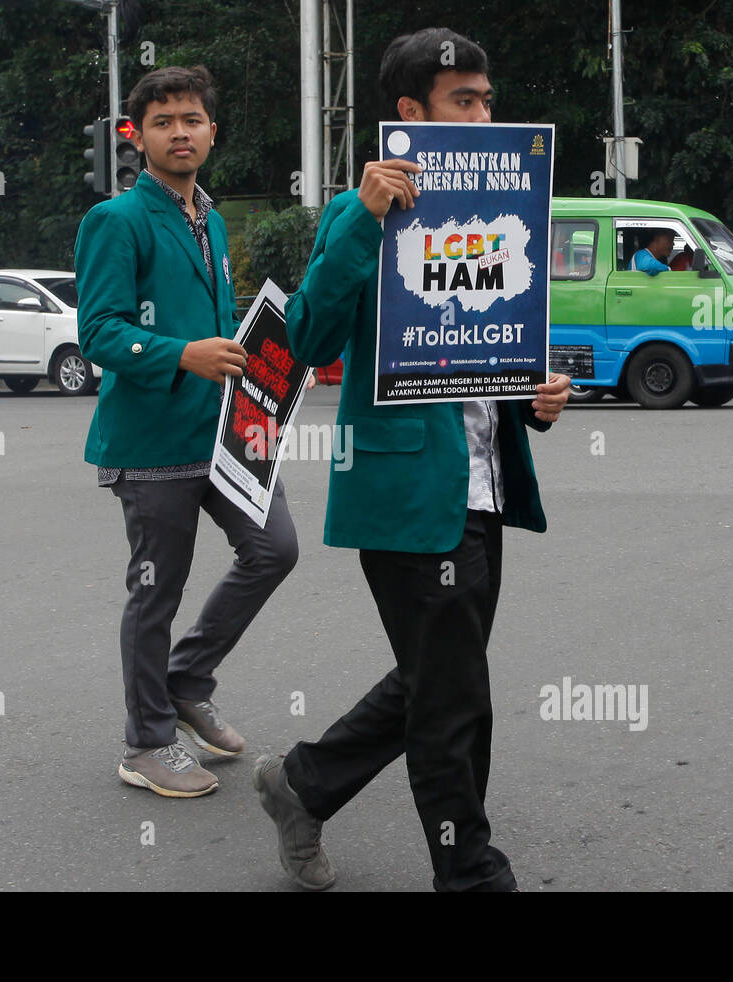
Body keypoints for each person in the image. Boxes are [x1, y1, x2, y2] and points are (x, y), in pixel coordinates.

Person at [251, 28, 571, 891]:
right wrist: (362, 218)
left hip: (484, 488)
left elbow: (490, 345)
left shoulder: (504, 207)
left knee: (438, 678)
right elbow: (308, 341)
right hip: (402, 494)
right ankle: (468, 871)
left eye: (486, 97)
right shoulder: (355, 217)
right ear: (409, 115)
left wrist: (532, 397)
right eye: (464, 100)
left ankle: (301, 784)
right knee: (454, 699)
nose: (484, 113)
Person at [75, 66, 299, 799]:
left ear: (211, 130)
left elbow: (214, 321)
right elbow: (100, 333)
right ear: (136, 135)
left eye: (193, 119)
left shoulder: (213, 217)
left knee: (274, 549)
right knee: (155, 592)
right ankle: (145, 742)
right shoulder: (117, 220)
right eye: (164, 121)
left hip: (226, 432)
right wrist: (181, 354)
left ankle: (185, 679)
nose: (181, 132)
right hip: (150, 441)